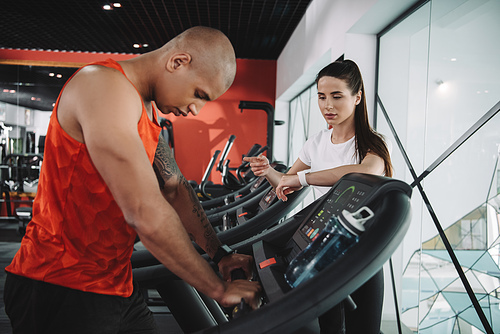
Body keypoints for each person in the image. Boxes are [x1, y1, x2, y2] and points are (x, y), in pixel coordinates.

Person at [4, 26, 261, 334]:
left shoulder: (144, 108)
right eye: (199, 94)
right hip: (61, 285)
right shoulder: (101, 86)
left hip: (115, 283)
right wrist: (218, 290)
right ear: (178, 62)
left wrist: (219, 254)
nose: (196, 109)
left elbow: (175, 186)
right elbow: (143, 211)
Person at [244, 59, 392, 333]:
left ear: (357, 97)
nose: (328, 106)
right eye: (322, 97)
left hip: (361, 247)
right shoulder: (316, 142)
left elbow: (364, 171)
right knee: (329, 326)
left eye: (337, 96)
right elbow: (287, 182)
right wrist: (268, 172)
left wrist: (303, 177)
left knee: (364, 328)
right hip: (324, 246)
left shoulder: (372, 143)